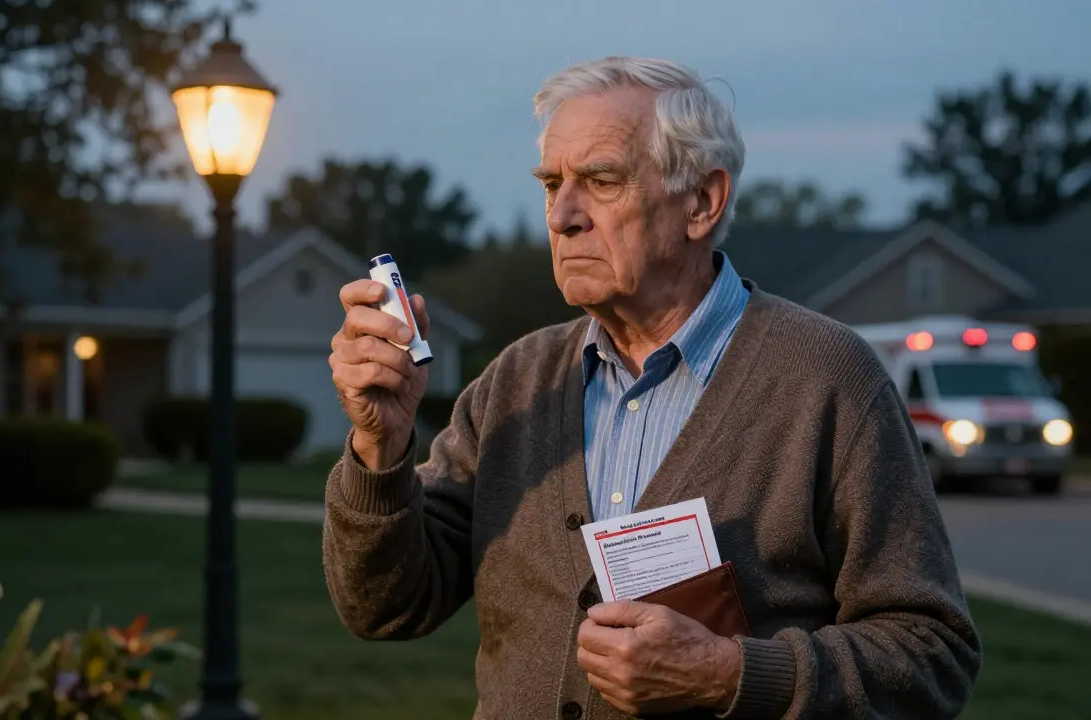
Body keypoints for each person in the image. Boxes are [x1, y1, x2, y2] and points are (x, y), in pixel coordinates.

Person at [322, 56, 982, 719]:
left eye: (601, 180)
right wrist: (381, 447)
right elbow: (384, 607)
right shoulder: (516, 382)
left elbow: (932, 655)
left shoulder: (827, 378)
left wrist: (728, 673)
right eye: (551, 184)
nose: (562, 216)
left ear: (701, 202)